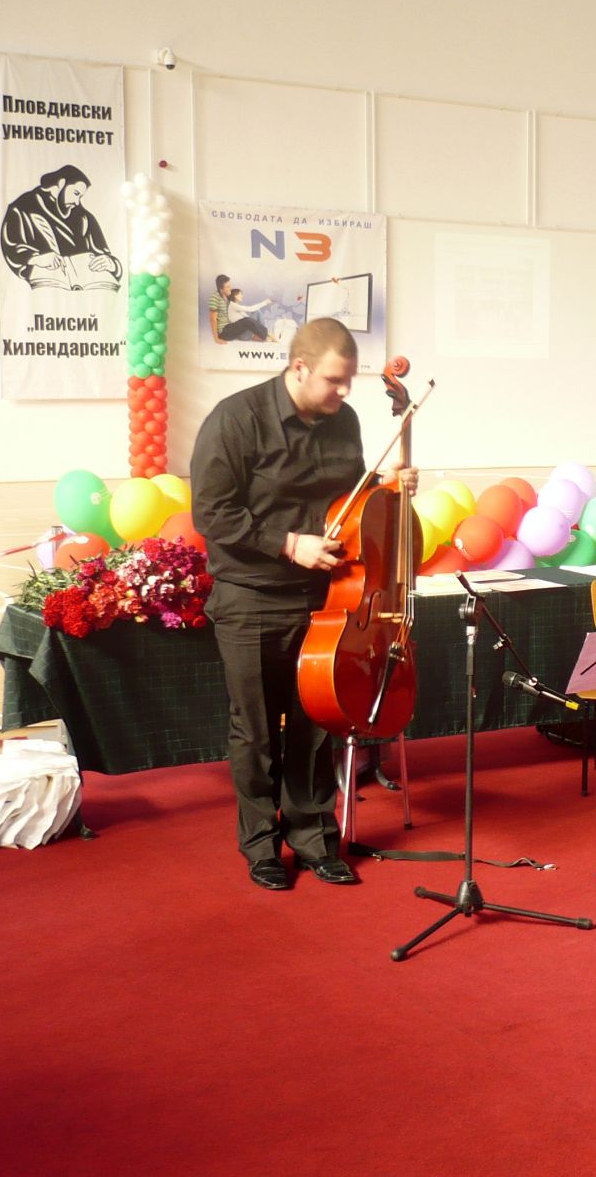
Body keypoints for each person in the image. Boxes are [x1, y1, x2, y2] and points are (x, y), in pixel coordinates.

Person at [190, 317, 416, 890]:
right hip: (251, 597)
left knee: (317, 722)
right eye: (334, 380)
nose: (344, 391)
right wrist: (290, 544)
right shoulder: (236, 420)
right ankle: (262, 847)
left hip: (325, 599)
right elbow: (212, 513)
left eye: (348, 381)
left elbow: (350, 502)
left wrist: (389, 486)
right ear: (299, 368)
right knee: (257, 731)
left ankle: (315, 839)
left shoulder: (345, 421)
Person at [0, 164, 122, 289]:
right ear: (61, 183)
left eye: (80, 197)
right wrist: (36, 259)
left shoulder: (84, 218)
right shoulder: (22, 208)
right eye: (75, 193)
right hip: (46, 290)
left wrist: (111, 264)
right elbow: (11, 248)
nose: (77, 202)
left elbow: (103, 253)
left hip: (89, 290)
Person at [209, 274, 269, 342]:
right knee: (247, 320)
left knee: (253, 315)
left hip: (232, 328)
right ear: (221, 289)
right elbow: (212, 319)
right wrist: (216, 339)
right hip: (224, 332)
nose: (230, 289)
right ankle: (266, 335)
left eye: (230, 286)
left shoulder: (226, 297)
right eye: (227, 287)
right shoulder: (215, 298)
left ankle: (261, 335)